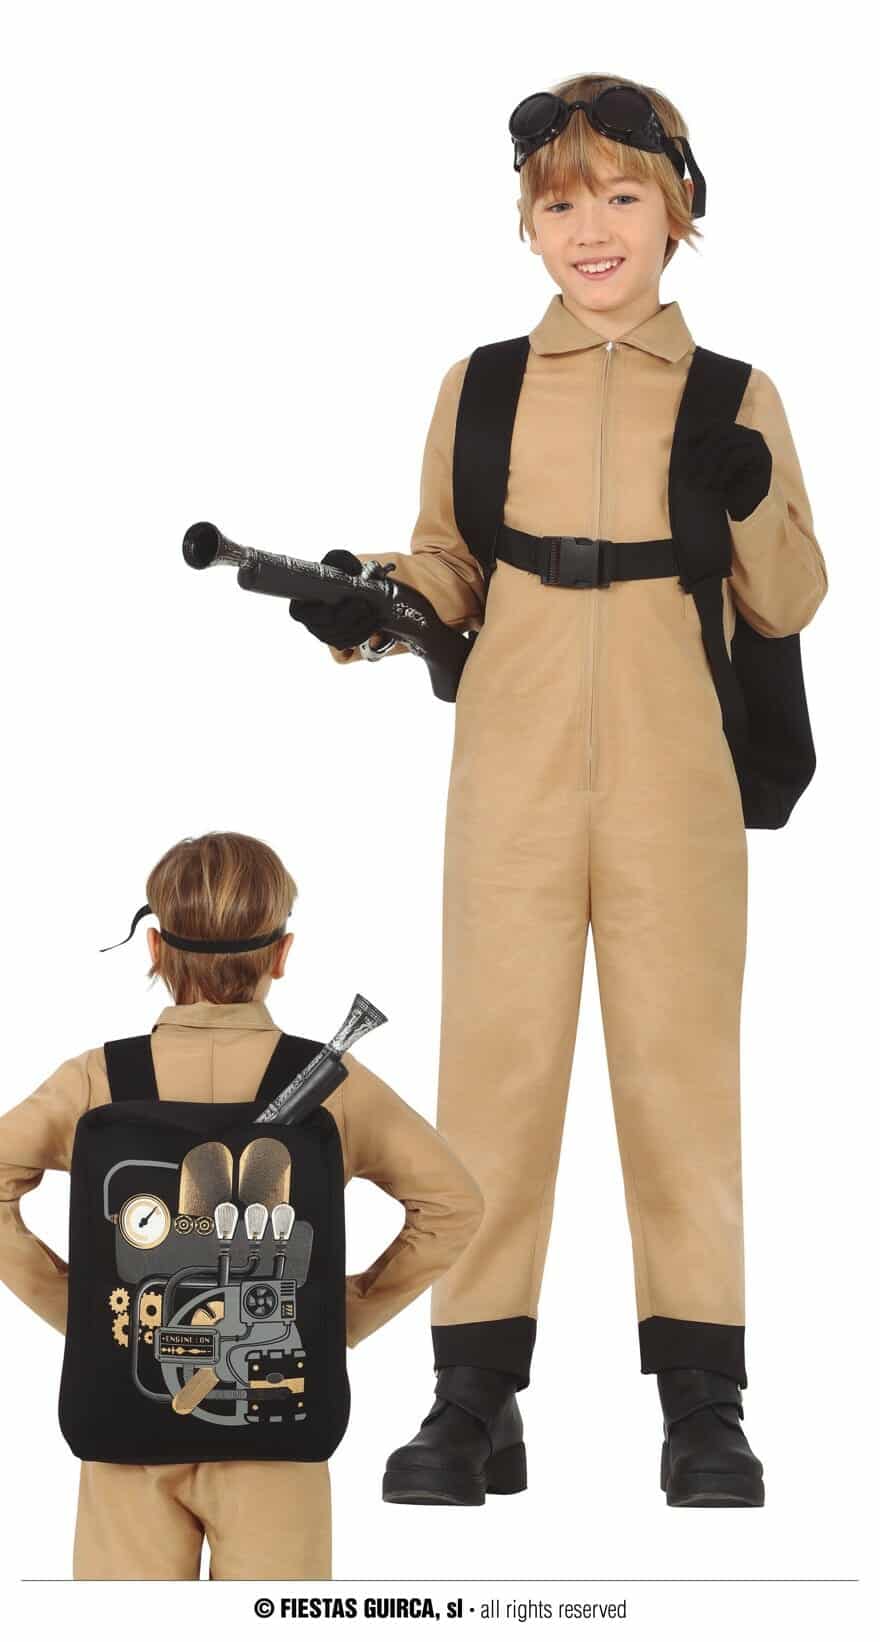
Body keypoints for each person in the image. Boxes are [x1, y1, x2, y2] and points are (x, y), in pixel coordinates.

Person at [290, 73, 828, 1508]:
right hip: (512, 779)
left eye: (622, 196)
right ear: (526, 225)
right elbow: (446, 562)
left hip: (677, 779)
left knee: (681, 1083)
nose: (591, 229)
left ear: (679, 209)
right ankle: (472, 1394)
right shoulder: (479, 388)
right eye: (559, 203)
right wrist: (370, 599)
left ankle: (704, 1399)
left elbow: (788, 598)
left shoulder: (734, 396)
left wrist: (747, 488)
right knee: (497, 1076)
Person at [0, 831, 483, 1576]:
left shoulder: (96, 1079)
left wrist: (87, 1312)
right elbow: (452, 1204)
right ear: (282, 955)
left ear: (155, 949)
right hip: (277, 1441)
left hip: (127, 1430)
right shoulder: (332, 1083)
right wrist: (335, 1316)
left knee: (118, 1629)